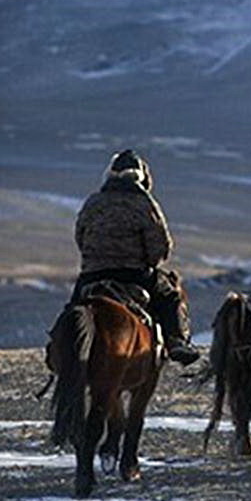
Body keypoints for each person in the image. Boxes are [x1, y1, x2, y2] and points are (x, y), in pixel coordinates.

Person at [72, 149, 198, 364]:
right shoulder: (144, 203)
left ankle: (64, 350)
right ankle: (177, 342)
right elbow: (160, 247)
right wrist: (148, 262)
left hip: (91, 276)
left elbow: (80, 237)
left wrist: (96, 259)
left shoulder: (93, 202)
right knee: (170, 297)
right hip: (134, 275)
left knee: (73, 311)